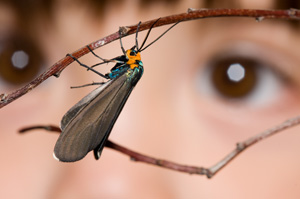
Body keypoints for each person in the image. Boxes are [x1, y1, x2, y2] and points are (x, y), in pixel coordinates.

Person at [1, 0, 300, 198]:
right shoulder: (128, 66)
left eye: (238, 80)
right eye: (15, 64)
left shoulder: (128, 72)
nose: (109, 191)